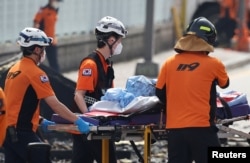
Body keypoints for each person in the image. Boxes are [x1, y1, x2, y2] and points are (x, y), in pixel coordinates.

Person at [3, 27, 91, 163]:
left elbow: (14, 103)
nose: (44, 52)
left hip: (7, 133)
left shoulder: (14, 70)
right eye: (43, 49)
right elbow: (55, 105)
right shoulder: (36, 73)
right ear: (37, 50)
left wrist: (39, 120)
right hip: (21, 132)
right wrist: (77, 120)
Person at [155, 17, 230, 163]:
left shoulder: (169, 63)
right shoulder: (214, 64)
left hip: (175, 130)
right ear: (208, 41)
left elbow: (159, 93)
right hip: (202, 128)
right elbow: (224, 84)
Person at [72, 16, 127, 163]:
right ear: (111, 40)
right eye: (119, 40)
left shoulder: (106, 65)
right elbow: (79, 95)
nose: (120, 44)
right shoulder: (90, 64)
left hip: (99, 126)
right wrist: (89, 120)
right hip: (89, 126)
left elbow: (110, 96)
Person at [33, 0, 61, 72]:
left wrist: (55, 36)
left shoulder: (55, 11)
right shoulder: (42, 10)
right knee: (37, 63)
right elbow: (36, 25)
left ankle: (56, 81)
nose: (57, 3)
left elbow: (52, 27)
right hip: (42, 42)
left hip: (52, 42)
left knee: (54, 65)